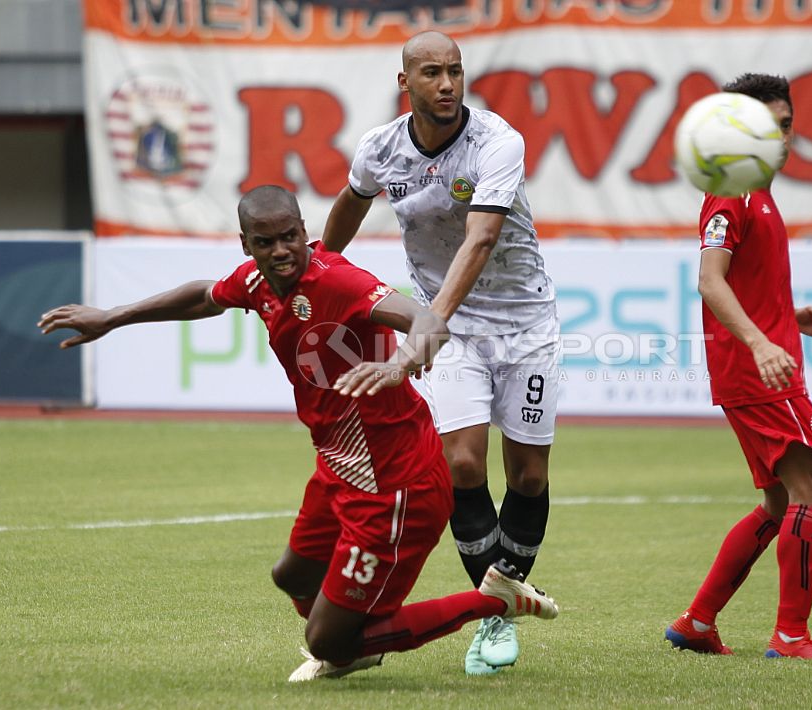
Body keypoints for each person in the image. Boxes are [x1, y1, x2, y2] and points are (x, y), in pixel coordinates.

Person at [37, 185, 557, 682]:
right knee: (293, 576)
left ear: (304, 229)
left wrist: (401, 361)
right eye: (265, 242)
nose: (282, 251)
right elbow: (203, 295)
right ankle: (352, 641)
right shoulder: (257, 282)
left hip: (395, 484)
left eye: (290, 236)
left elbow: (427, 321)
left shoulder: (338, 281)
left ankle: (496, 599)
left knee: (327, 642)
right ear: (247, 245)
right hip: (338, 469)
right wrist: (112, 316)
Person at [321, 31, 560, 675]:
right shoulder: (381, 148)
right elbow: (349, 204)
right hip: (450, 327)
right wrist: (319, 274)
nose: (448, 84)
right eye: (432, 73)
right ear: (407, 83)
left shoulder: (497, 142)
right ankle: (493, 616)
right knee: (460, 465)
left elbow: (481, 238)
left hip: (524, 322)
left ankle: (501, 594)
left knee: (530, 477)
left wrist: (429, 323)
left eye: (455, 71)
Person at [663, 74, 812, 660]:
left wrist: (793, 317)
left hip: (758, 365)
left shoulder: (756, 190)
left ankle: (696, 622)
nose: (784, 138)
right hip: (759, 372)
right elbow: (710, 282)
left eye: (787, 125)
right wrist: (764, 345)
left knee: (777, 502)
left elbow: (743, 283)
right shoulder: (732, 193)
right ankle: (790, 636)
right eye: (770, 127)